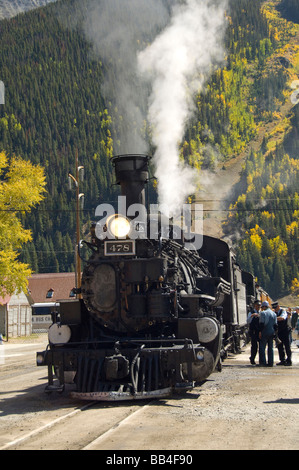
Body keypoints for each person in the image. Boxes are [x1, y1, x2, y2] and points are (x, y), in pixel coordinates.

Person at [272, 301, 292, 366]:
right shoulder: (275, 312)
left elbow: (282, 318)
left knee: (287, 346)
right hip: (279, 331)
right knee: (280, 346)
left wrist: (273, 318)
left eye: (276, 308)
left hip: (285, 331)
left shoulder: (283, 311)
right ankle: (282, 360)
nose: (275, 309)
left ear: (278, 306)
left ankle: (289, 360)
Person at [258, 301, 277, 367]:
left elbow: (262, 323)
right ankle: (270, 362)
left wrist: (260, 332)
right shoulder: (274, 314)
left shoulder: (263, 313)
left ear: (264, 306)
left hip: (264, 331)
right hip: (271, 332)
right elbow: (275, 325)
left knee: (262, 347)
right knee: (270, 348)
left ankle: (263, 362)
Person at [247, 300, 261, 364]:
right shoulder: (251, 312)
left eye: (259, 305)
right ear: (255, 305)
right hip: (253, 331)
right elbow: (248, 321)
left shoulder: (261, 312)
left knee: (261, 346)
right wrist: (252, 316)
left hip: (260, 331)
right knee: (254, 346)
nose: (259, 307)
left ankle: (261, 360)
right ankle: (252, 358)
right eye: (257, 305)